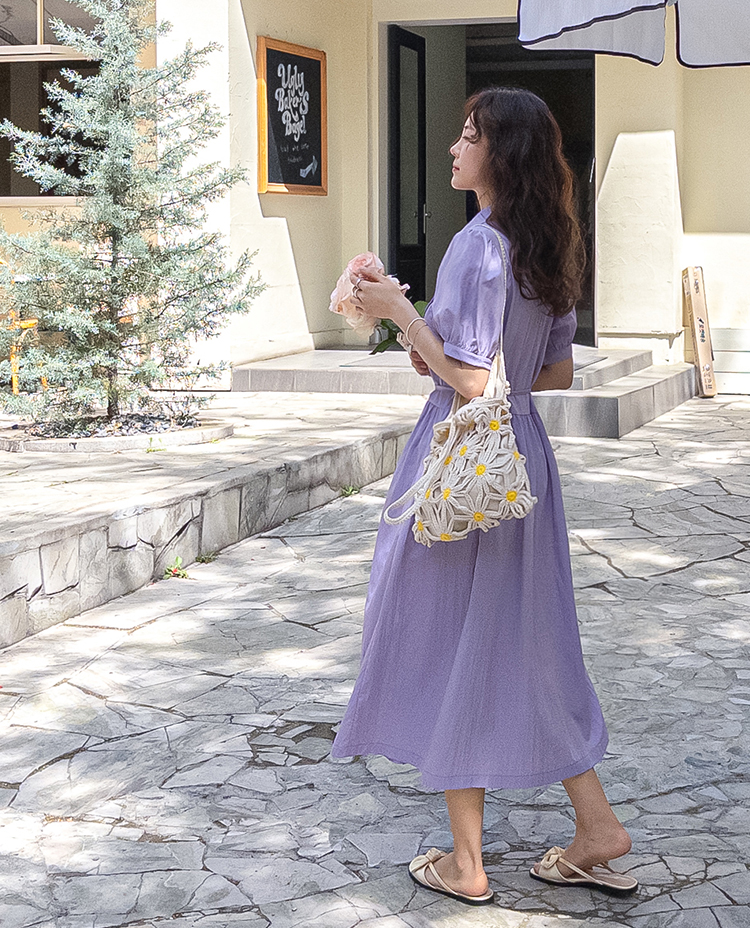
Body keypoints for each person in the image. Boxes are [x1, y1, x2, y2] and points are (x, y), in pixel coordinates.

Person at [330, 87, 637, 905]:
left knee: (446, 639)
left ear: (501, 153)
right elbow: (553, 371)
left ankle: (466, 864)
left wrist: (399, 311)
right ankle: (596, 828)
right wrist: (428, 340)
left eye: (468, 136)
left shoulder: (476, 246)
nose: (454, 147)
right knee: (527, 641)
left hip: (461, 466)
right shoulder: (546, 244)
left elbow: (467, 381)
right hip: (521, 460)